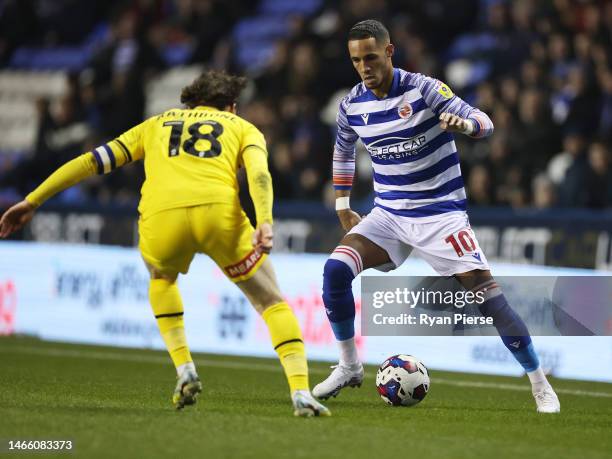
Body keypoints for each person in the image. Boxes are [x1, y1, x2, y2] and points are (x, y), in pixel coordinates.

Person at [0, 70, 330, 418]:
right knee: (272, 303)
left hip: (163, 218)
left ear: (189, 101)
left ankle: (184, 366)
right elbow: (259, 175)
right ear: (232, 106)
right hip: (218, 215)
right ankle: (300, 391)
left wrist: (33, 200)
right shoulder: (242, 127)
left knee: (161, 278)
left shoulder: (156, 123)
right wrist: (264, 221)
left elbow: (92, 162)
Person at [312, 20, 560, 413]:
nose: (364, 67)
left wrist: (465, 125)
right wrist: (343, 205)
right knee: (335, 271)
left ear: (389, 52)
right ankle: (349, 365)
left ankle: (539, 383)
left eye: (371, 57)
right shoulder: (351, 105)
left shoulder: (425, 89)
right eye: (356, 60)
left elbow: (485, 121)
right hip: (389, 214)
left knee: (488, 298)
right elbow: (342, 150)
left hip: (440, 214)